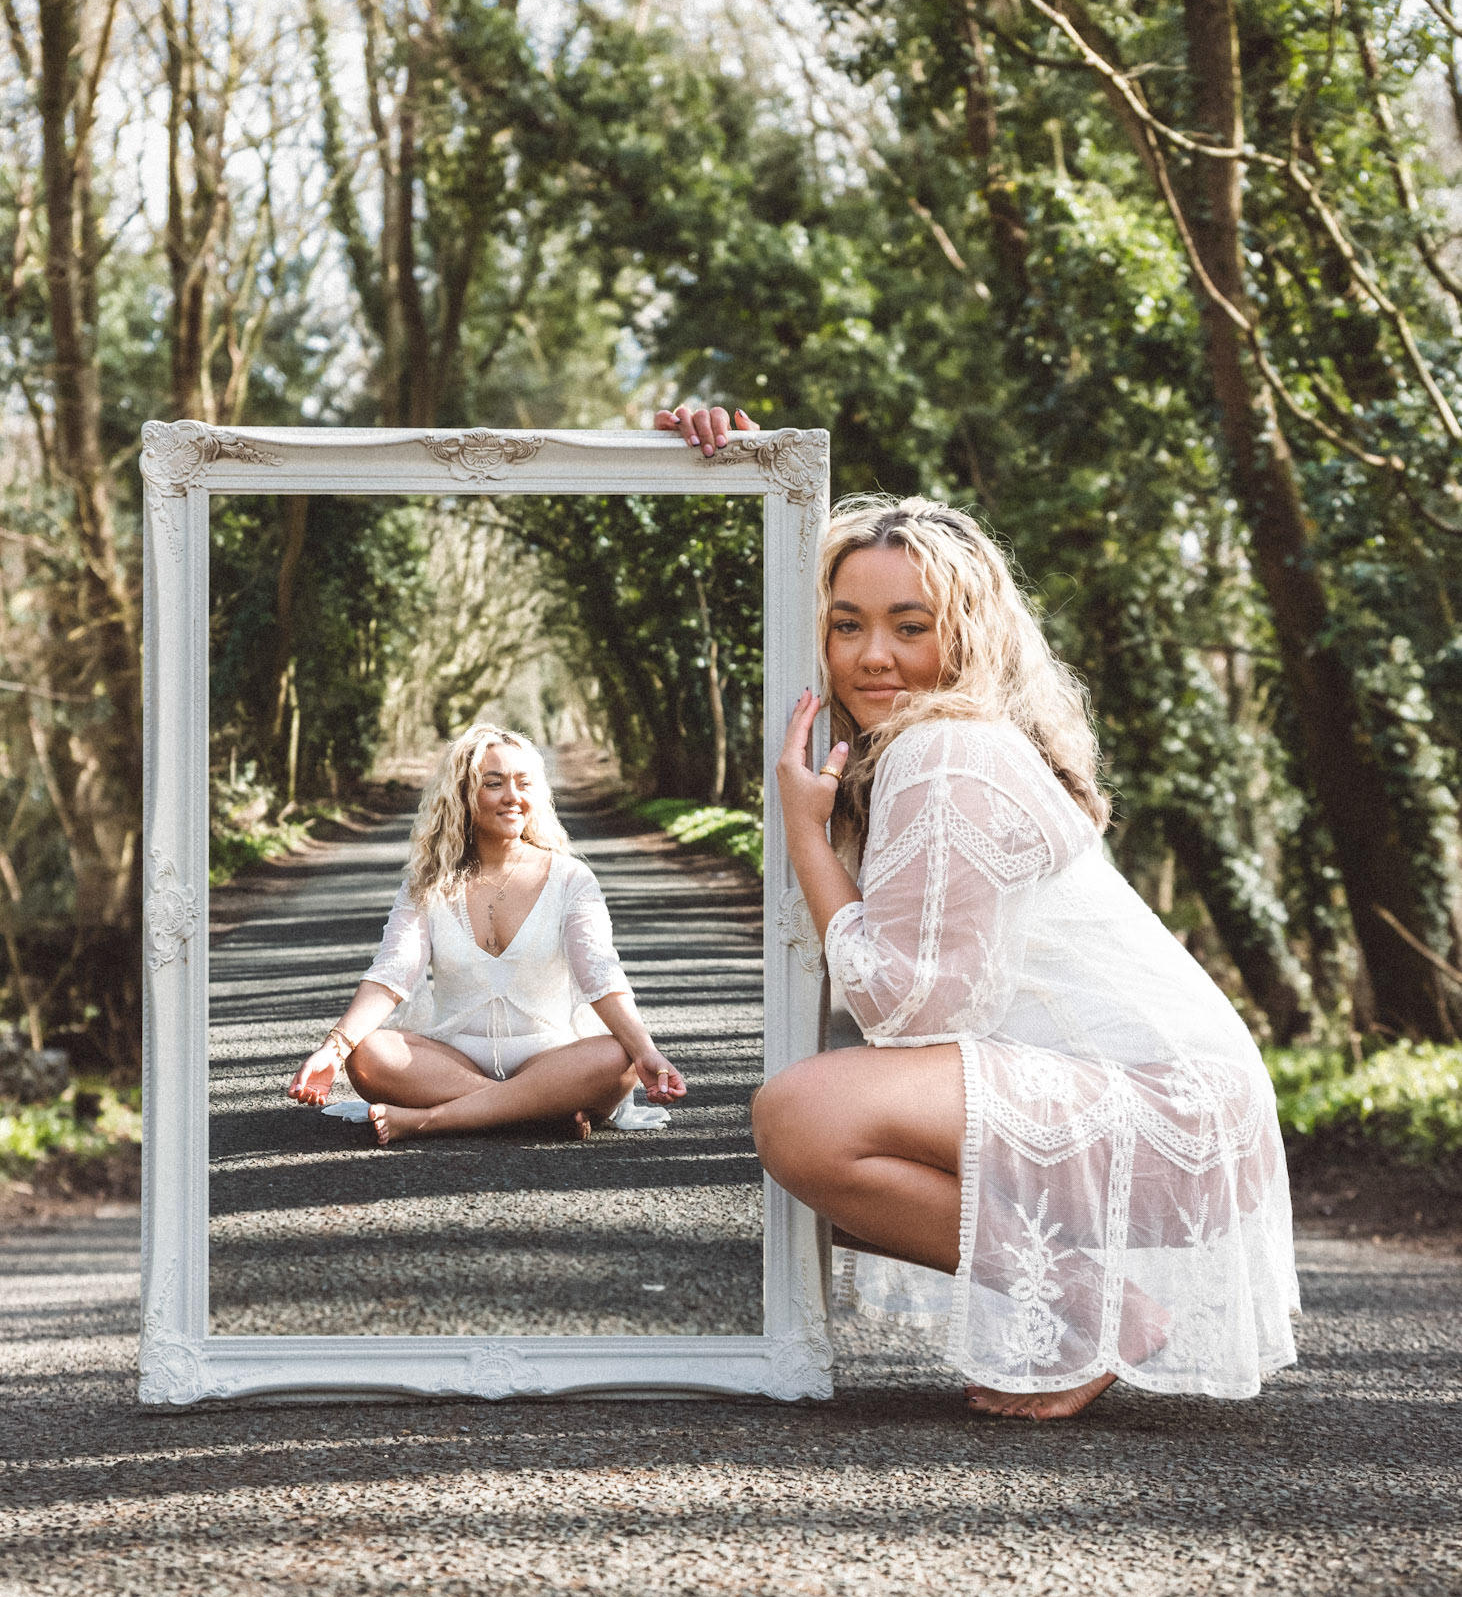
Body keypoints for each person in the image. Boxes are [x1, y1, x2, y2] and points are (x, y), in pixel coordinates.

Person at [658, 408, 1295, 1423]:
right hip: (1175, 1115)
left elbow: (907, 1011)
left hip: (1169, 1118)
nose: (872, 655)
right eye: (845, 624)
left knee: (804, 1118)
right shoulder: (918, 749)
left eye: (909, 626)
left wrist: (807, 836)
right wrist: (735, 470)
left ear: (967, 634)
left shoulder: (944, 749)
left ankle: (1103, 1311)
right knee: (805, 1156)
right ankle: (1100, 1303)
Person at [286, 723, 686, 1146]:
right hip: (454, 1058)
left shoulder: (571, 879)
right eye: (494, 784)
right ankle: (537, 1113)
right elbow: (392, 972)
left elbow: (600, 975)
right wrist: (335, 1047)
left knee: (617, 1057)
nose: (513, 796)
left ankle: (432, 1120)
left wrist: (646, 1051)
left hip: (551, 1060)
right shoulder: (428, 884)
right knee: (368, 1055)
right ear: (461, 794)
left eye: (523, 784)